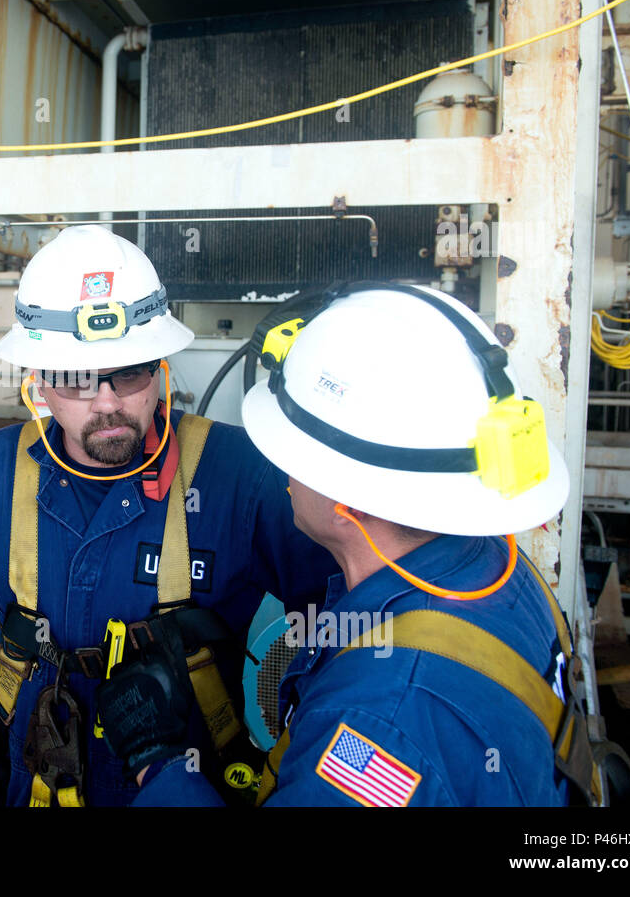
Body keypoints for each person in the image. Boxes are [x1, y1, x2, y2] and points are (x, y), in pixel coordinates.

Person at [0, 225, 334, 807]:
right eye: (79, 377)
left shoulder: (238, 475)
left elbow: (339, 613)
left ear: (159, 371)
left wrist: (299, 748)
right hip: (35, 778)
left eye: (130, 372)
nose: (108, 401)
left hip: (186, 785)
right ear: (41, 384)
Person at [103, 282, 585, 806]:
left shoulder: (376, 725)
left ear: (348, 500)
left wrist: (160, 763)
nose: (281, 470)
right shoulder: (501, 570)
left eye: (294, 454)